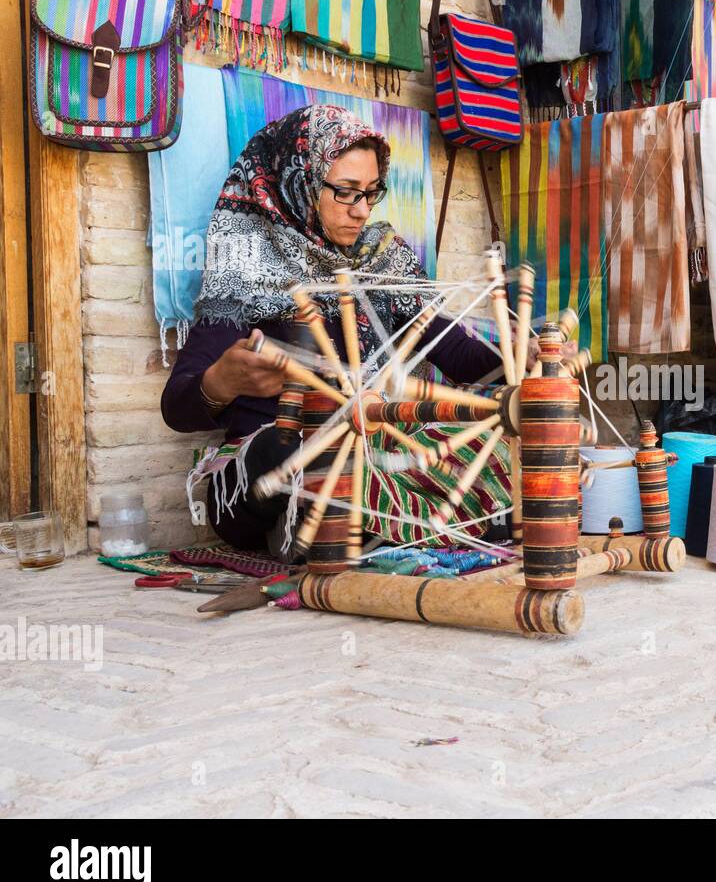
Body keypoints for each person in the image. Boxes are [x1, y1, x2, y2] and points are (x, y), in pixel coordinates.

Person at [162, 104, 515, 555]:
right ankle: (352, 522)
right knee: (292, 450)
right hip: (275, 468)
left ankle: (369, 524)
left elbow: (457, 354)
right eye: (346, 192)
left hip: (375, 454)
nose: (362, 210)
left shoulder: (382, 257)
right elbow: (176, 405)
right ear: (300, 182)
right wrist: (221, 382)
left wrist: (523, 360)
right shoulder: (246, 261)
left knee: (488, 433)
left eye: (371, 193)